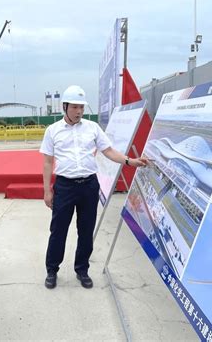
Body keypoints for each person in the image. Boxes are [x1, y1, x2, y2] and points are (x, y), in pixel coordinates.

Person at [40, 85, 148, 289]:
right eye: (74, 107)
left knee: (86, 230)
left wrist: (129, 161)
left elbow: (108, 151)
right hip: (64, 186)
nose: (79, 111)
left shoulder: (92, 128)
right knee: (58, 230)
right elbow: (47, 162)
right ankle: (52, 270)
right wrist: (47, 190)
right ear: (65, 107)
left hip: (89, 185)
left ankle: (82, 270)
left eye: (81, 107)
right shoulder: (52, 131)